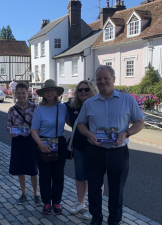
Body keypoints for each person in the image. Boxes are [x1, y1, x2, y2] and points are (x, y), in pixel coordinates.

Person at [77, 65, 145, 225]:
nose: (103, 81)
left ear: (113, 79)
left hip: (118, 153)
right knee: (94, 189)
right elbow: (80, 124)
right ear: (96, 81)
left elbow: (140, 122)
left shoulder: (127, 100)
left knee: (116, 191)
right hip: (94, 151)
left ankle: (114, 221)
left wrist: (126, 133)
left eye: (106, 78)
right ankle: (96, 219)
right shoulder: (89, 103)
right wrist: (89, 134)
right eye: (99, 79)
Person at [65, 80, 104, 219]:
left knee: (95, 179)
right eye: (80, 90)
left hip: (96, 148)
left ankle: (95, 207)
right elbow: (69, 121)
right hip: (79, 147)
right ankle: (81, 203)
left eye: (86, 89)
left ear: (92, 90)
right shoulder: (71, 106)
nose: (83, 92)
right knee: (80, 176)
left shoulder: (99, 105)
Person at [31, 79, 68, 215]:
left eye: (52, 90)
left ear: (57, 93)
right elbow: (34, 130)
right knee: (45, 175)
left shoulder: (63, 107)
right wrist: (41, 145)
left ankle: (56, 202)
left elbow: (73, 121)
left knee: (58, 175)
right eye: (47, 90)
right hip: (43, 142)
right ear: (43, 94)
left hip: (60, 142)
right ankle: (46, 202)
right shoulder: (39, 110)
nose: (50, 92)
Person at [6, 82, 41, 206]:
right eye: (19, 93)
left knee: (33, 169)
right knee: (20, 169)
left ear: (28, 93)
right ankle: (23, 193)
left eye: (23, 93)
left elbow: (38, 125)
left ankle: (36, 194)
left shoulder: (35, 108)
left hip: (31, 141)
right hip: (18, 141)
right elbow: (8, 125)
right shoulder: (12, 109)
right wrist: (11, 131)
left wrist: (32, 131)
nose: (21, 96)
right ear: (15, 94)